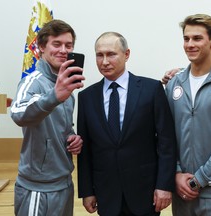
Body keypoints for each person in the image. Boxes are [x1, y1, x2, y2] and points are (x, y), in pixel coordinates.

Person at [77, 31, 177, 216]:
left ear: (126, 54)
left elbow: (167, 142)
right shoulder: (86, 97)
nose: (104, 61)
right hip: (106, 193)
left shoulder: (151, 90)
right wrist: (87, 191)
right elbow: (86, 150)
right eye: (99, 55)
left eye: (111, 54)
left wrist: (164, 185)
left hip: (145, 191)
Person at [164, 14, 211, 215]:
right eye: (186, 39)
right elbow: (165, 137)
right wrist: (177, 173)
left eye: (197, 38)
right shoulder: (173, 84)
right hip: (181, 191)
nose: (190, 44)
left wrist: (200, 179)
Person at [10, 19, 85, 216]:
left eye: (68, 45)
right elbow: (17, 113)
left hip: (64, 183)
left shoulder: (68, 89)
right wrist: (54, 96)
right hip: (36, 188)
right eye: (56, 44)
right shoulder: (32, 82)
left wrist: (73, 138)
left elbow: (63, 128)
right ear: (42, 47)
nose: (63, 50)